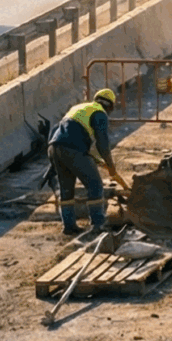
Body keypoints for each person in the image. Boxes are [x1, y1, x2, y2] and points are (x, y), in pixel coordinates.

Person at [47, 87, 125, 236]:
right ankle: (98, 224)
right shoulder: (99, 113)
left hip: (54, 147)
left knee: (66, 189)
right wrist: (111, 166)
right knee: (95, 185)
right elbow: (103, 144)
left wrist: (94, 158)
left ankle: (69, 226)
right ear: (110, 106)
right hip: (73, 149)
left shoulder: (80, 108)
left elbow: (65, 131)